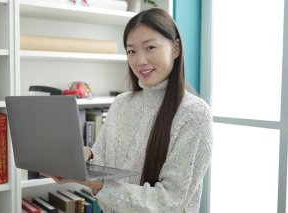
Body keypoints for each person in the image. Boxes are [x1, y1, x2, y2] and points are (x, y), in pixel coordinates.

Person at [46, 8, 213, 213]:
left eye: (150, 47)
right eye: (131, 51)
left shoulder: (194, 114)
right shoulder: (121, 103)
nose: (140, 60)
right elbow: (106, 159)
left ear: (175, 48)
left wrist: (90, 181)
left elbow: (169, 202)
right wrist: (85, 155)